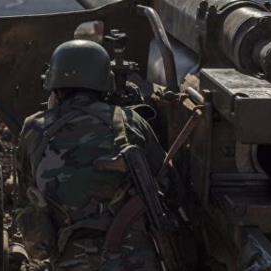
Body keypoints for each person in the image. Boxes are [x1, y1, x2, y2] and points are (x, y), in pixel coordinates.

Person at [16, 39, 166, 270]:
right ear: (106, 82)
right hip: (133, 259)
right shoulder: (128, 121)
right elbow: (168, 185)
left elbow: (25, 193)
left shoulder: (33, 128)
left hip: (68, 257)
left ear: (54, 85)